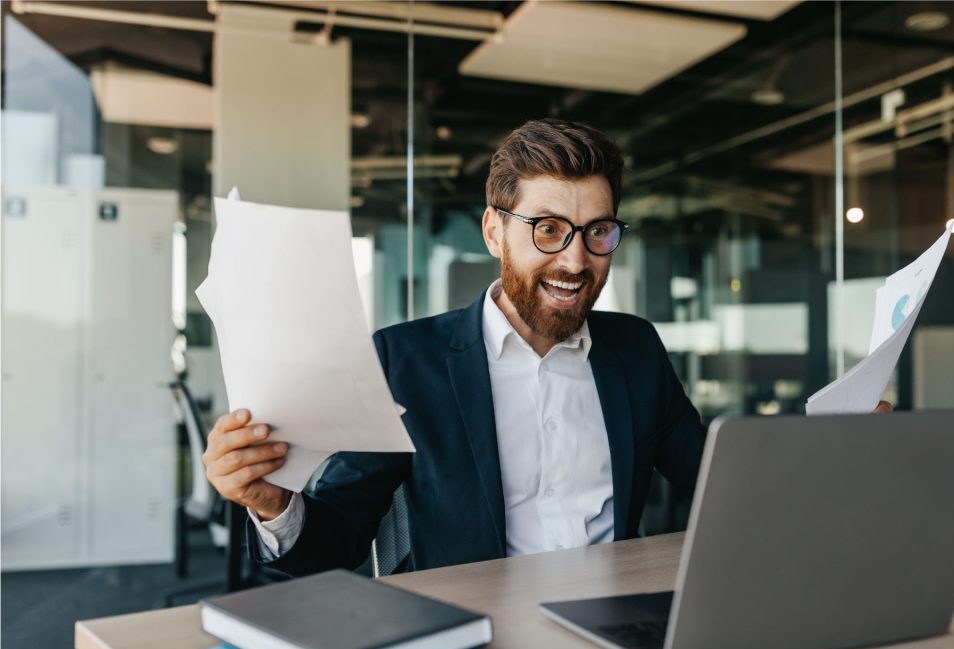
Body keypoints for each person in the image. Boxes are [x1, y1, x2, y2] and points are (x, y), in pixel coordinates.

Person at [202, 119, 889, 576]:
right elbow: (341, 536)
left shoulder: (634, 349)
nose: (576, 260)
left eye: (598, 232)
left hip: (615, 629)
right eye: (549, 229)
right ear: (494, 232)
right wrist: (271, 503)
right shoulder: (407, 360)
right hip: (476, 635)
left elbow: (717, 477)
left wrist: (828, 450)